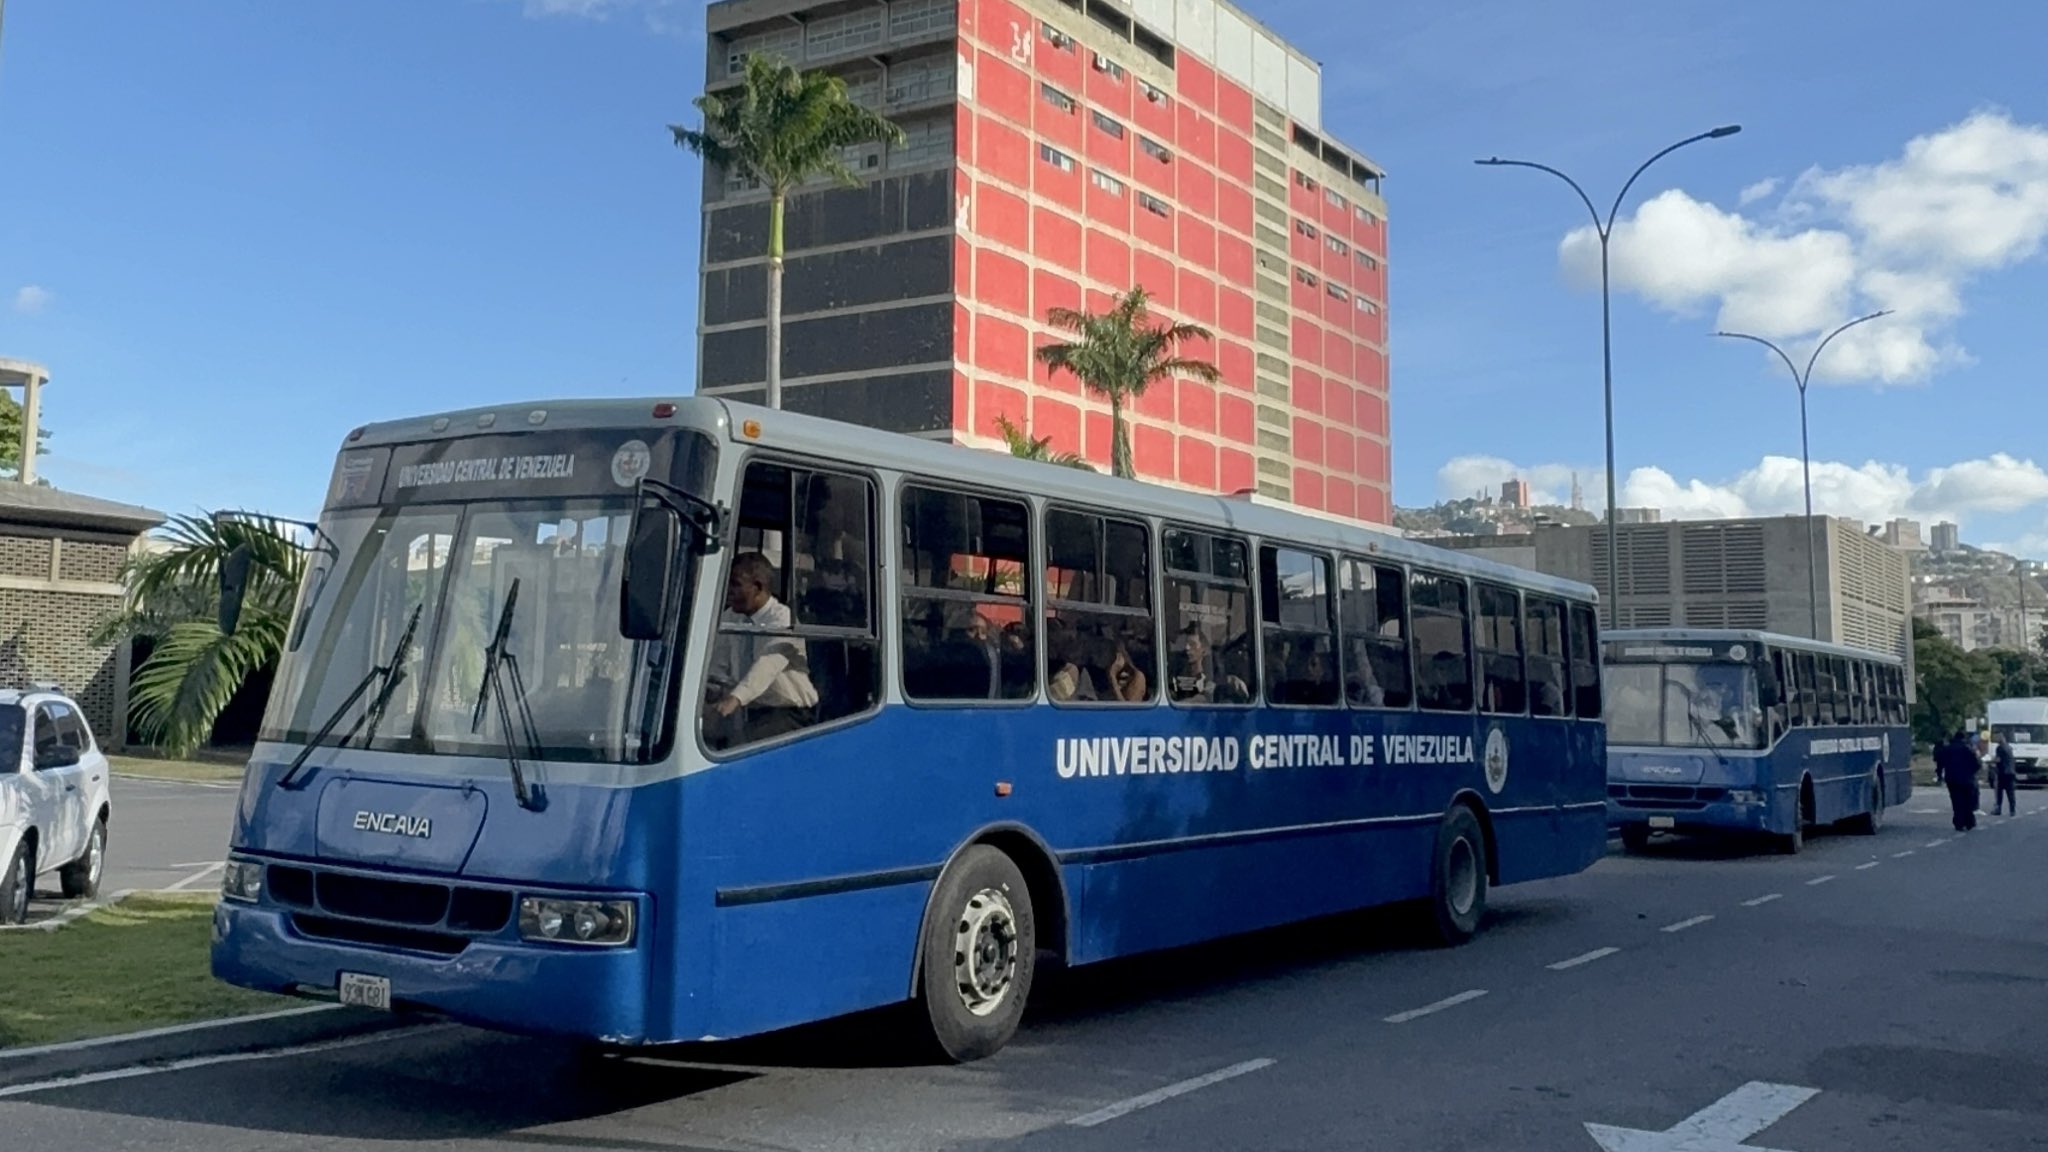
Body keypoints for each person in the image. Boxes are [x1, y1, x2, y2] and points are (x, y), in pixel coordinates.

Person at [705, 552, 818, 748]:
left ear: (757, 587)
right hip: (748, 711)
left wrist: (735, 699)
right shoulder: (731, 617)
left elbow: (767, 665)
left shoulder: (783, 619)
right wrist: (707, 690)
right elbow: (718, 662)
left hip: (790, 714)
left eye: (735, 584)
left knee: (741, 749)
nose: (729, 591)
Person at [1935, 729, 1980, 832]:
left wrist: (1939, 776)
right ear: (1963, 738)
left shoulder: (1947, 749)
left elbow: (1939, 763)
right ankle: (1969, 821)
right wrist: (1972, 772)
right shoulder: (1967, 749)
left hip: (1952, 779)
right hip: (1967, 779)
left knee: (1956, 801)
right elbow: (1977, 764)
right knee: (1968, 801)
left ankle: (1959, 822)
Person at [1994, 734, 2019, 816]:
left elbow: (1998, 760)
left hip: (2003, 772)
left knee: (1999, 792)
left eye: (1996, 738)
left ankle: (1998, 809)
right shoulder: (2009, 747)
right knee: (2010, 792)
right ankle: (2012, 810)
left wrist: (1991, 761)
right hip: (2011, 772)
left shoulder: (1999, 748)